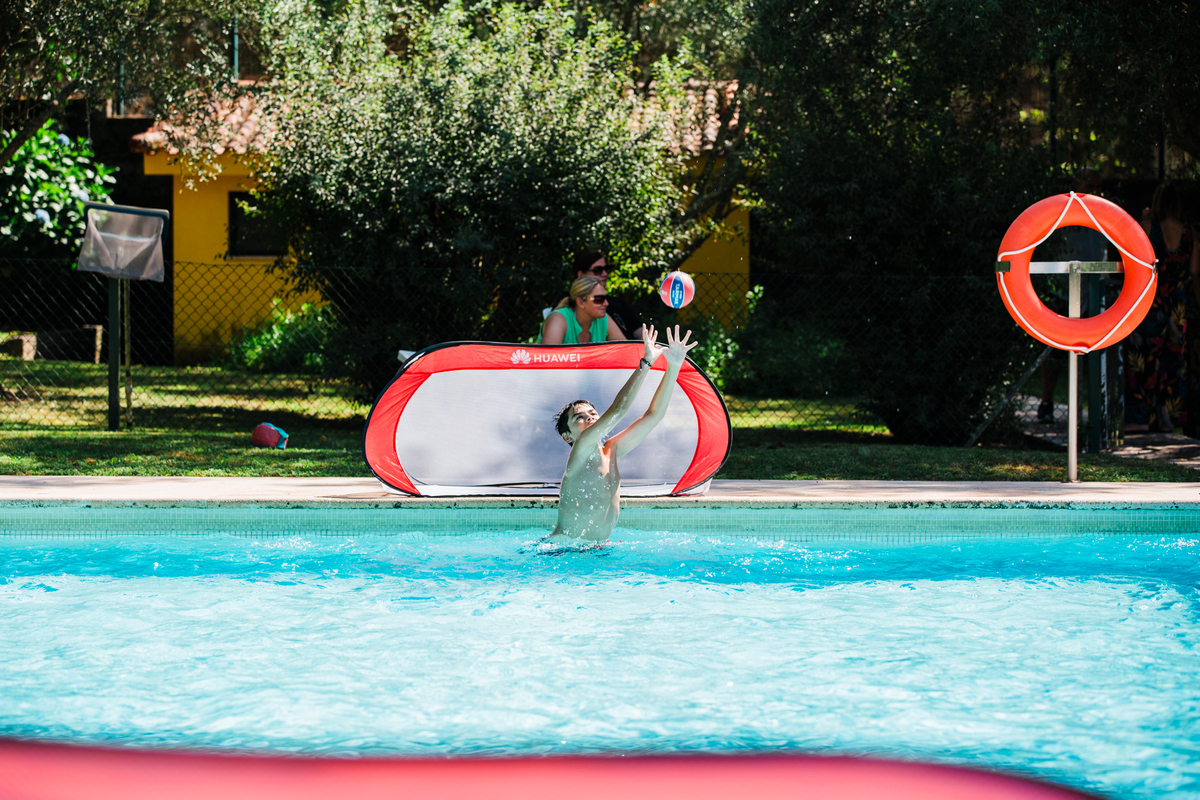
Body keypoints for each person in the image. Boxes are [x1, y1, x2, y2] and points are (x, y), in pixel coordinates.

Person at [549, 324, 697, 542]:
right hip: (563, 551)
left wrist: (673, 366)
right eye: (578, 417)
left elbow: (653, 416)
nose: (589, 417)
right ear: (567, 436)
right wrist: (646, 363)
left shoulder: (612, 451)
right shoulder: (579, 453)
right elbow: (619, 410)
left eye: (593, 413)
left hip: (598, 550)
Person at [1126, 181, 1194, 433]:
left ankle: (1140, 418)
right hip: (1177, 304)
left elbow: (1135, 262)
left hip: (1153, 301)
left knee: (1144, 360)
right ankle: (1169, 420)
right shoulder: (1188, 234)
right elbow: (1195, 269)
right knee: (1174, 363)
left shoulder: (1147, 227)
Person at [566, 250, 644, 340]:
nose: (605, 274)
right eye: (597, 270)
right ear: (580, 302)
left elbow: (639, 332)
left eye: (606, 269)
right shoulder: (567, 305)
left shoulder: (617, 303)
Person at [538, 275, 626, 344]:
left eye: (606, 298)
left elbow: (627, 352)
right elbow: (549, 361)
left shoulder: (603, 319)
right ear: (580, 302)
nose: (606, 303)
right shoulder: (558, 319)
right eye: (599, 299)